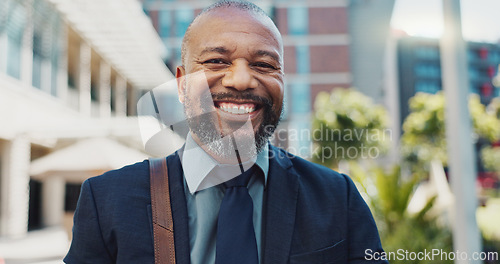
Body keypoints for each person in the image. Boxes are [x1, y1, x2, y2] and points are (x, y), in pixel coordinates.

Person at [64, 1, 388, 263]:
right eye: (217, 61)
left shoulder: (337, 198)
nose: (242, 80)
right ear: (181, 83)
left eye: (264, 65)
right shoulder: (105, 201)